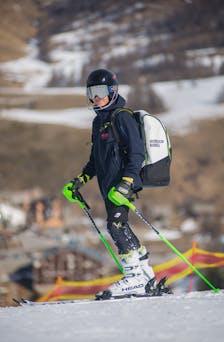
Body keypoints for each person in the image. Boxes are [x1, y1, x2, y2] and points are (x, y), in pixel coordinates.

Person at [63, 68, 156, 299]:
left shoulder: (122, 116)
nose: (95, 97)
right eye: (91, 92)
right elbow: (95, 160)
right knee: (121, 226)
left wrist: (126, 183)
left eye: (100, 91)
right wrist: (80, 180)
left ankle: (134, 278)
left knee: (115, 226)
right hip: (108, 186)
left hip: (122, 184)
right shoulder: (98, 122)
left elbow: (137, 154)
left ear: (113, 91)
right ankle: (146, 275)